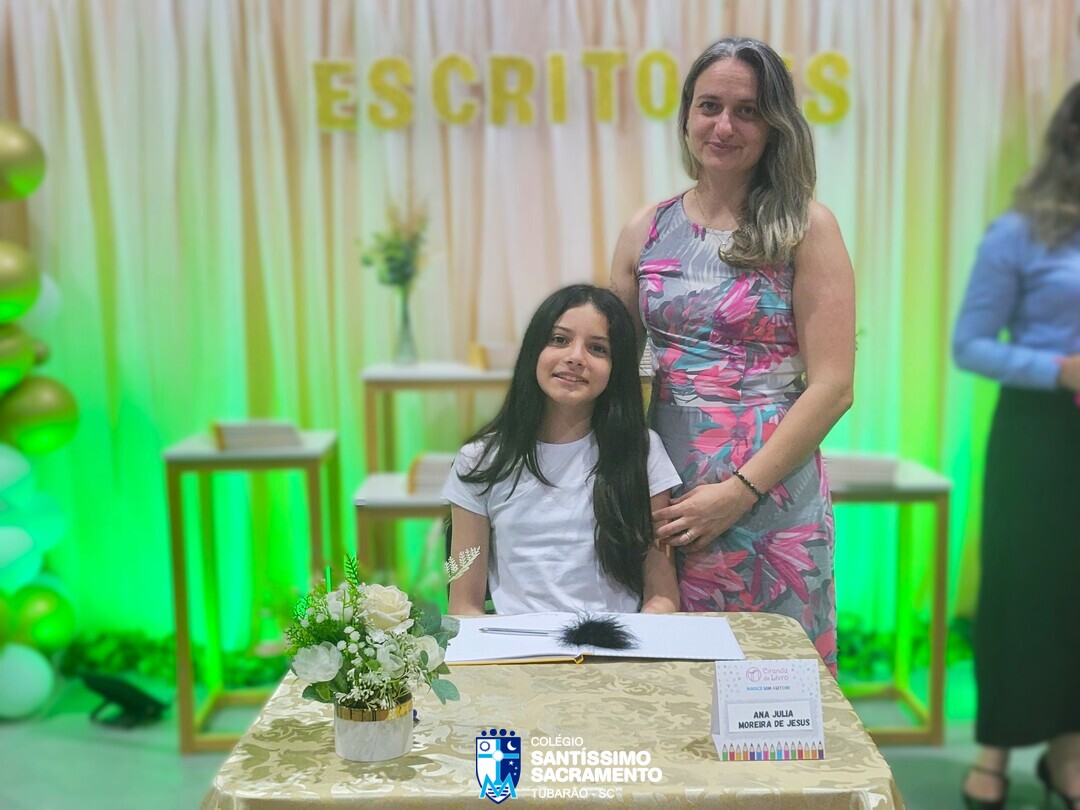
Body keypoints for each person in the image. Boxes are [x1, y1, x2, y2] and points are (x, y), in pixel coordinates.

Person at [610, 37, 855, 676]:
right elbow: (613, 374)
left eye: (747, 111)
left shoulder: (807, 227)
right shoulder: (645, 229)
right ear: (687, 114)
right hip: (666, 496)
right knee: (672, 688)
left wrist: (739, 493)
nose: (724, 126)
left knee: (776, 688)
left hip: (772, 496)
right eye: (709, 106)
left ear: (775, 124)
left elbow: (833, 387)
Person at [953, 83, 1080, 810]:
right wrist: (1059, 369)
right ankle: (994, 747)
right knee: (1021, 587)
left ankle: (1069, 749)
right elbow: (969, 344)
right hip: (1042, 432)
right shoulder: (1021, 232)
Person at [443, 283, 683, 615]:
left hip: (615, 640)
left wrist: (637, 642)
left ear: (616, 368)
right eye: (559, 340)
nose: (575, 358)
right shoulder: (479, 460)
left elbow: (663, 595)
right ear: (534, 350)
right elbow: (464, 605)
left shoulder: (642, 450)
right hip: (516, 643)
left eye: (597, 348)